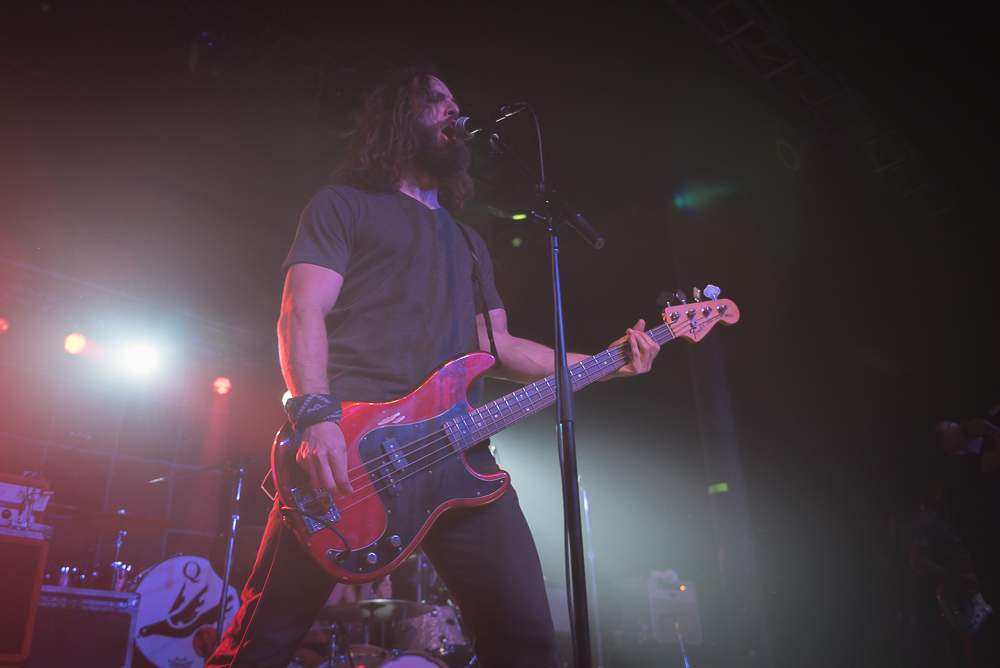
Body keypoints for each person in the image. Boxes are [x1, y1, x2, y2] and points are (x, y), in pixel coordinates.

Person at [206, 65, 660, 668]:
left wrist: (609, 364)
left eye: (455, 102)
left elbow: (495, 346)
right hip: (353, 453)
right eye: (436, 100)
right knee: (260, 645)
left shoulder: (469, 241)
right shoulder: (343, 206)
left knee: (525, 638)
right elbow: (300, 312)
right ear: (398, 116)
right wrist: (314, 416)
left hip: (456, 457)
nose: (453, 111)